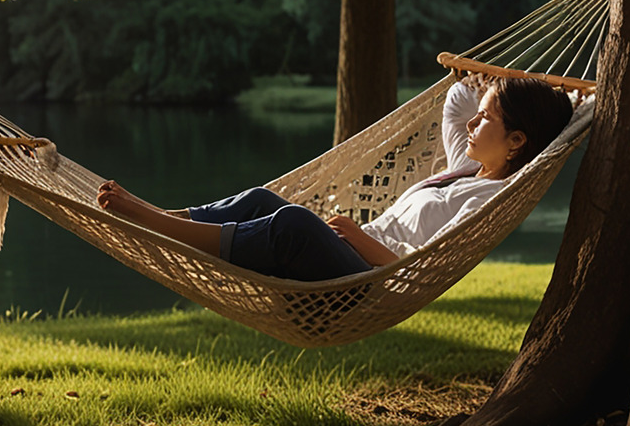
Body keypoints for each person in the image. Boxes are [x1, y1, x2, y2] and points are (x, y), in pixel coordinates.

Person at [96, 74, 576, 281]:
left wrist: (358, 241)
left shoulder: (489, 200)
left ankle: (154, 224)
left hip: (371, 279)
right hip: (352, 253)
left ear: (517, 141)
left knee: (293, 224)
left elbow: (421, 269)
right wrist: (498, 94)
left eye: (487, 119)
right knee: (266, 199)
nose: (472, 125)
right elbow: (457, 100)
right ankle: (163, 216)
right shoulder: (466, 165)